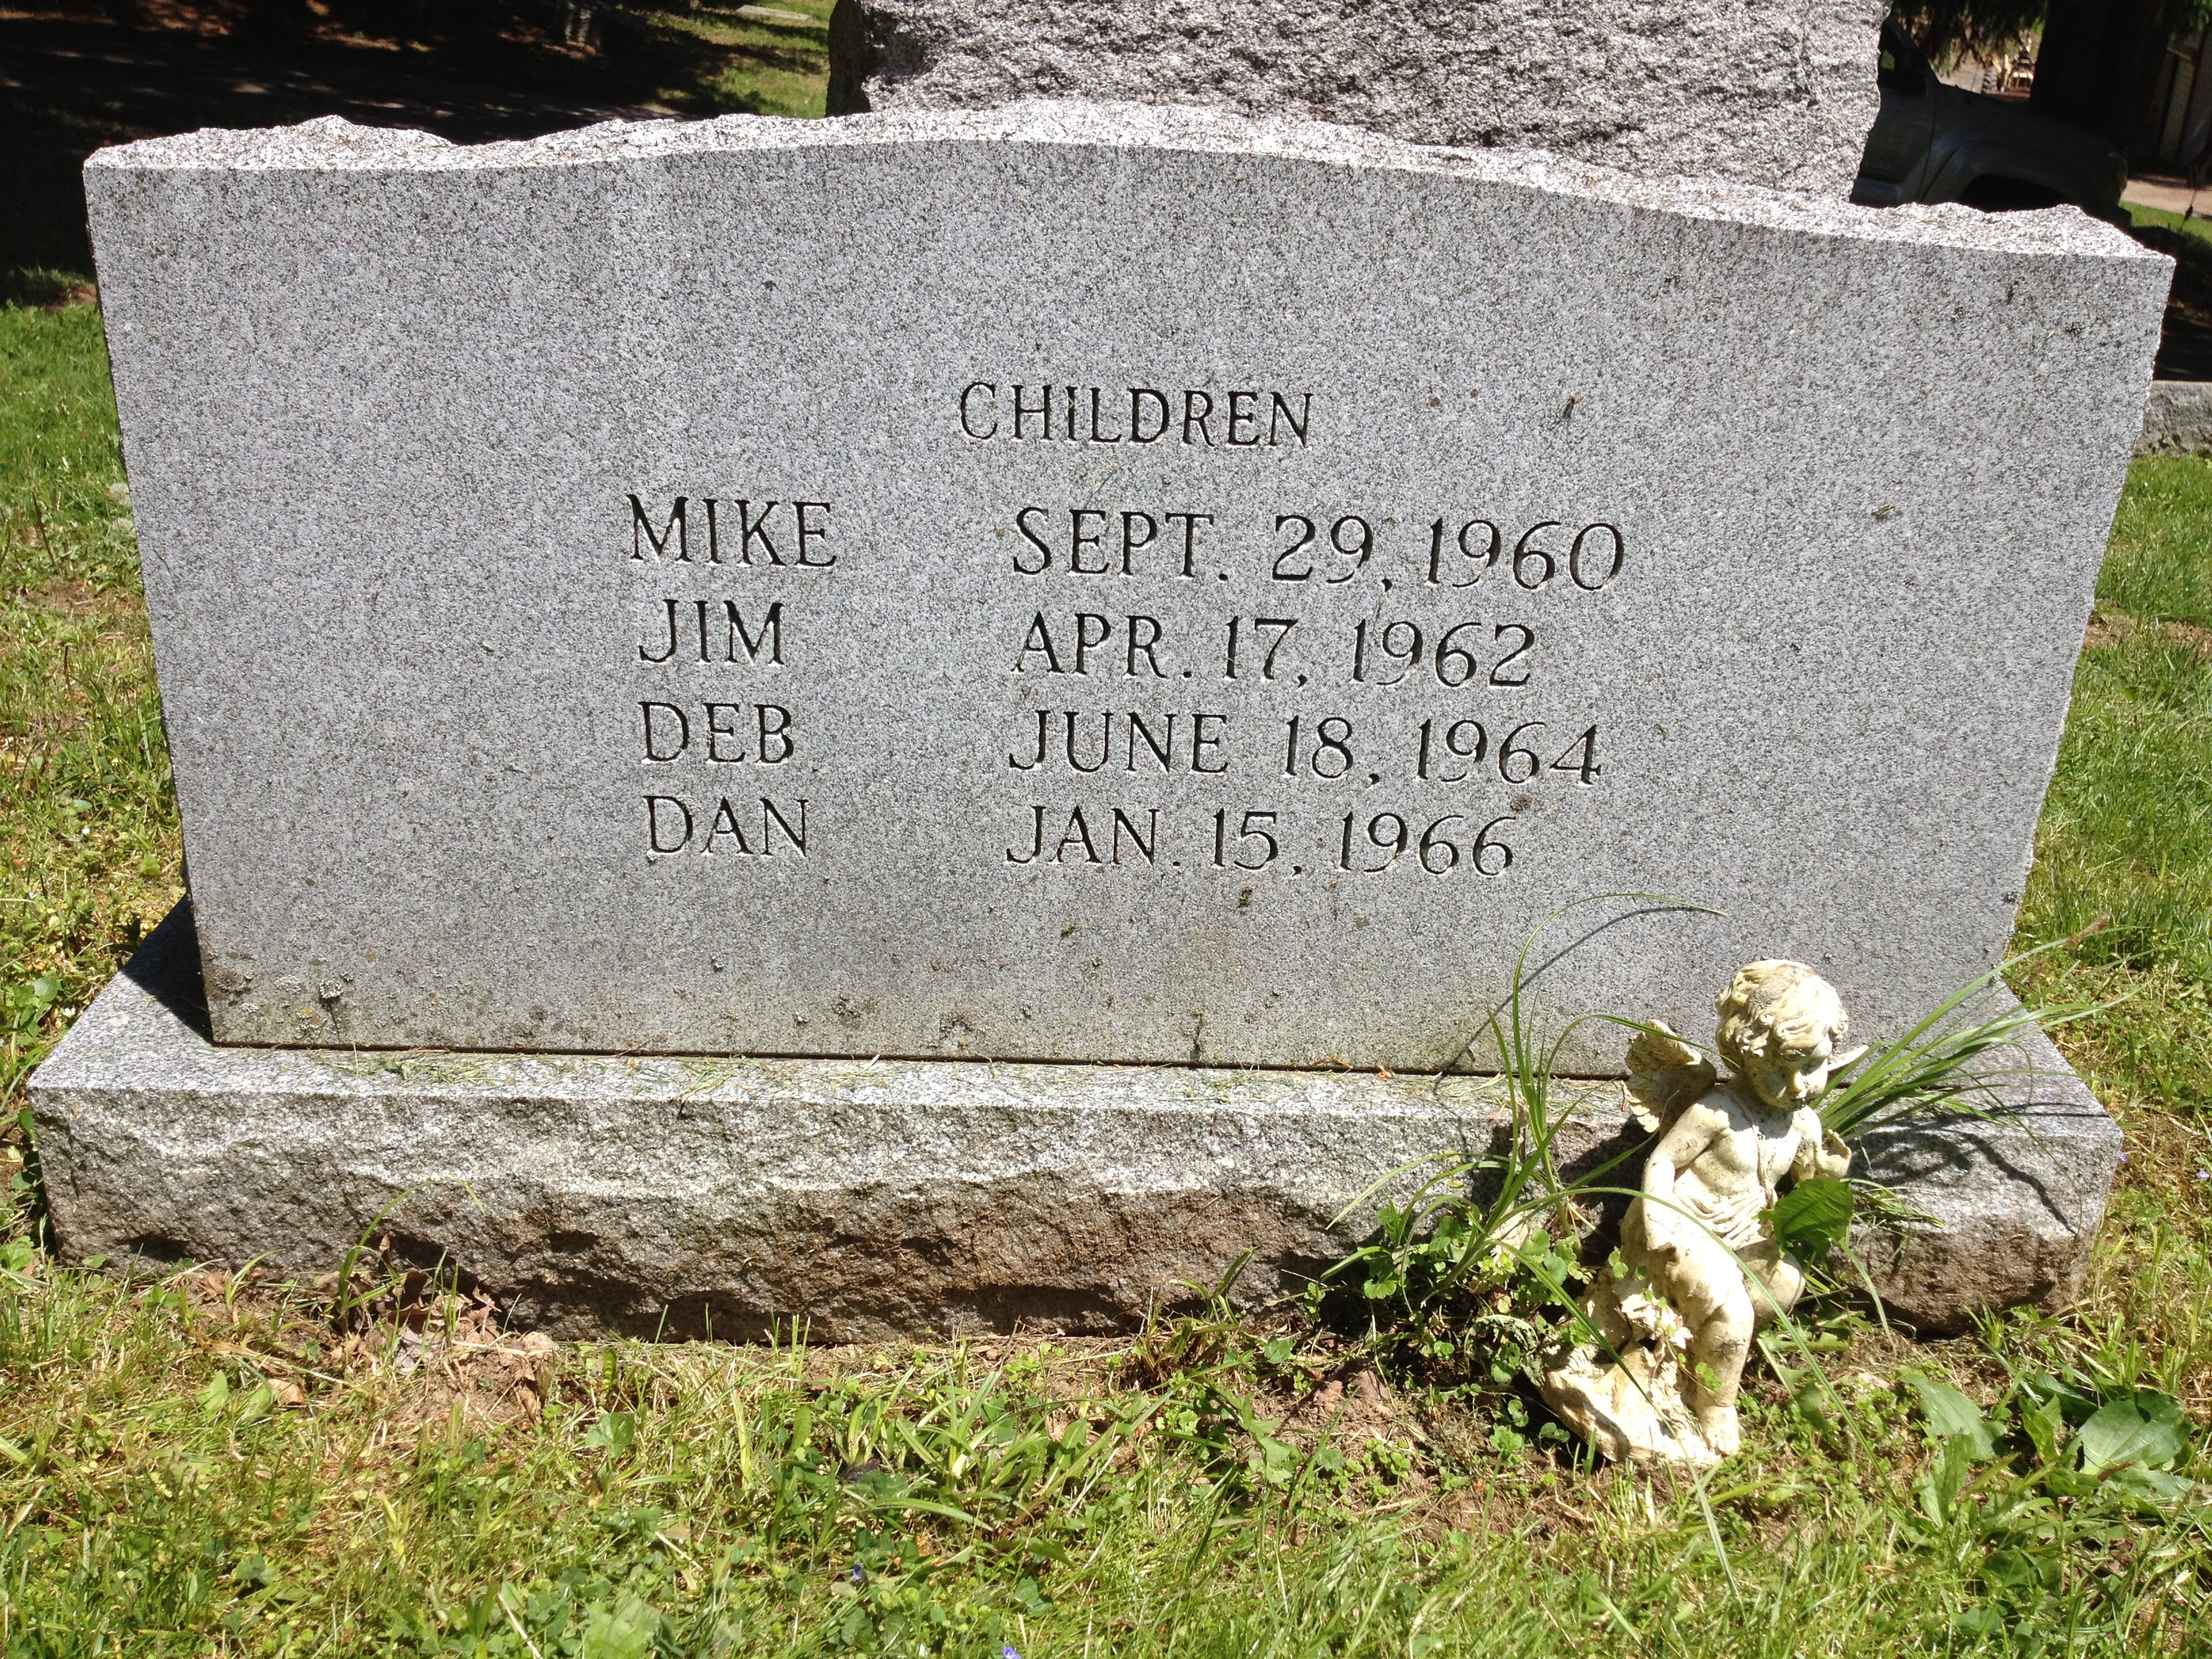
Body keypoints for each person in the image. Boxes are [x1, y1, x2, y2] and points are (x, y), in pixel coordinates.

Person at [1618, 960, 1857, 1458]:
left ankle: (1701, 1350)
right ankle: (1715, 1403)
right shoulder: (1716, 1113)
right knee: (1734, 1309)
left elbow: (1804, 1182)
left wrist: (1827, 1174)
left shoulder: (1801, 1122)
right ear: (1746, 1056)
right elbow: (1662, 1162)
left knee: (1786, 1283)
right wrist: (1658, 1223)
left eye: (1812, 1067)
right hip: (1682, 1227)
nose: (1797, 1086)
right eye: (1779, 1069)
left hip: (1742, 1231)